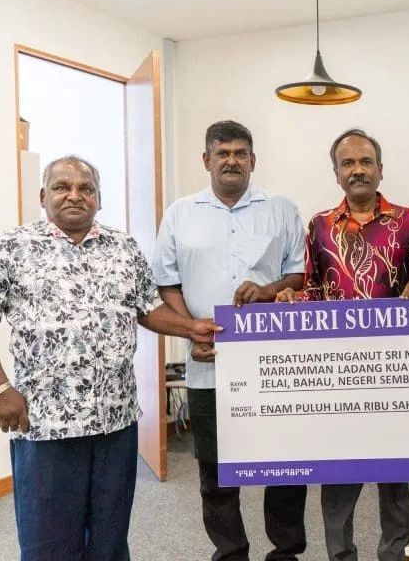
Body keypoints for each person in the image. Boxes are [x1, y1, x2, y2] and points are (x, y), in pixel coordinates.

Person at [0, 155, 221, 561]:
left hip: (116, 420)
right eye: (62, 187)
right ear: (43, 196)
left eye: (86, 189)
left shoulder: (124, 248)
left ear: (99, 198)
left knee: (109, 539)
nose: (74, 196)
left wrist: (191, 328)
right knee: (50, 544)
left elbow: (148, 308)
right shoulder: (10, 248)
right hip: (47, 425)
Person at [153, 120, 309, 561]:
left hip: (274, 364)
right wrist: (190, 329)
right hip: (208, 362)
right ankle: (230, 552)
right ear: (206, 160)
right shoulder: (180, 213)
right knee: (216, 469)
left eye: (240, 153)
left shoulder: (281, 209)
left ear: (253, 160)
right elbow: (166, 282)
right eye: (222, 153)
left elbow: (298, 273)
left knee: (285, 465)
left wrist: (268, 290)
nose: (232, 161)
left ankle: (286, 552)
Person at [275, 128, 409, 561]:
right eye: (348, 163)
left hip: (397, 368)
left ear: (380, 169)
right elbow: (312, 288)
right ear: (336, 173)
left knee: (394, 475)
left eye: (365, 162)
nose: (357, 170)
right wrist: (291, 298)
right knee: (339, 474)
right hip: (338, 371)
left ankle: (393, 553)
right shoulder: (319, 225)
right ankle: (340, 555)